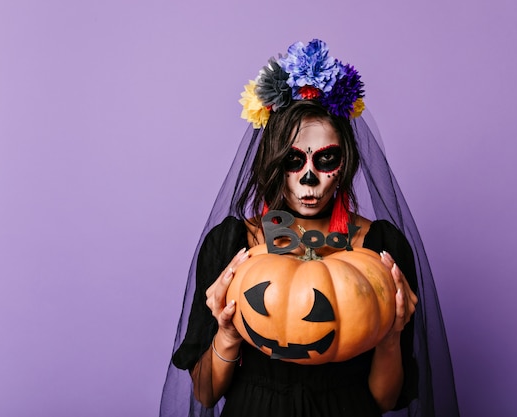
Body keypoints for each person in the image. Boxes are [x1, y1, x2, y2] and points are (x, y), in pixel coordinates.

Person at [160, 39, 460, 417]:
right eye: (292, 159)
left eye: (326, 159)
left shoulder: (381, 248)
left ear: (345, 163)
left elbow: (385, 401)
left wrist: (391, 336)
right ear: (272, 162)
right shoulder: (232, 245)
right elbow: (204, 394)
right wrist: (228, 331)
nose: (308, 178)